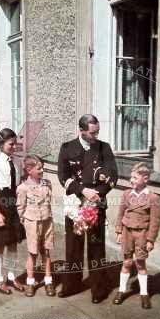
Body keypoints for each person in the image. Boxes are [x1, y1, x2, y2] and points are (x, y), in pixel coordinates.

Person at [57, 114, 118, 303]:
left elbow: (113, 176)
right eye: (92, 132)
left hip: (96, 204)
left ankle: (99, 289)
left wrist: (96, 194)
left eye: (97, 131)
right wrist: (83, 190)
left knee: (96, 247)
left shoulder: (104, 148)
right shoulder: (67, 148)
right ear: (81, 130)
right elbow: (63, 176)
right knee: (73, 247)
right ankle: (71, 285)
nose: (96, 135)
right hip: (75, 205)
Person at [113, 162, 160, 309]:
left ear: (145, 179)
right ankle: (121, 291)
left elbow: (155, 220)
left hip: (141, 234)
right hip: (127, 232)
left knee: (140, 263)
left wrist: (150, 240)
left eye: (135, 177)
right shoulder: (127, 194)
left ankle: (144, 293)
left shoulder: (153, 198)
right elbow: (121, 213)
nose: (131, 180)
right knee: (127, 262)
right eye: (131, 177)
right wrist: (119, 231)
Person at [0, 128, 26, 295]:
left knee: (13, 243)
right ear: (2, 144)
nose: (14, 146)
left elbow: (19, 184)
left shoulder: (16, 162)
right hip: (2, 203)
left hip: (14, 203)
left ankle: (11, 276)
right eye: (11, 144)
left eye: (15, 143)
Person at [16, 155, 56, 297]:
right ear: (29, 169)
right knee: (32, 253)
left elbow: (49, 201)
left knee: (46, 251)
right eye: (39, 168)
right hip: (32, 223)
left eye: (42, 167)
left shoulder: (47, 183)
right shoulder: (23, 188)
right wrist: (25, 222)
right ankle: (31, 281)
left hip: (47, 221)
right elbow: (20, 208)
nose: (42, 170)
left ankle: (48, 280)